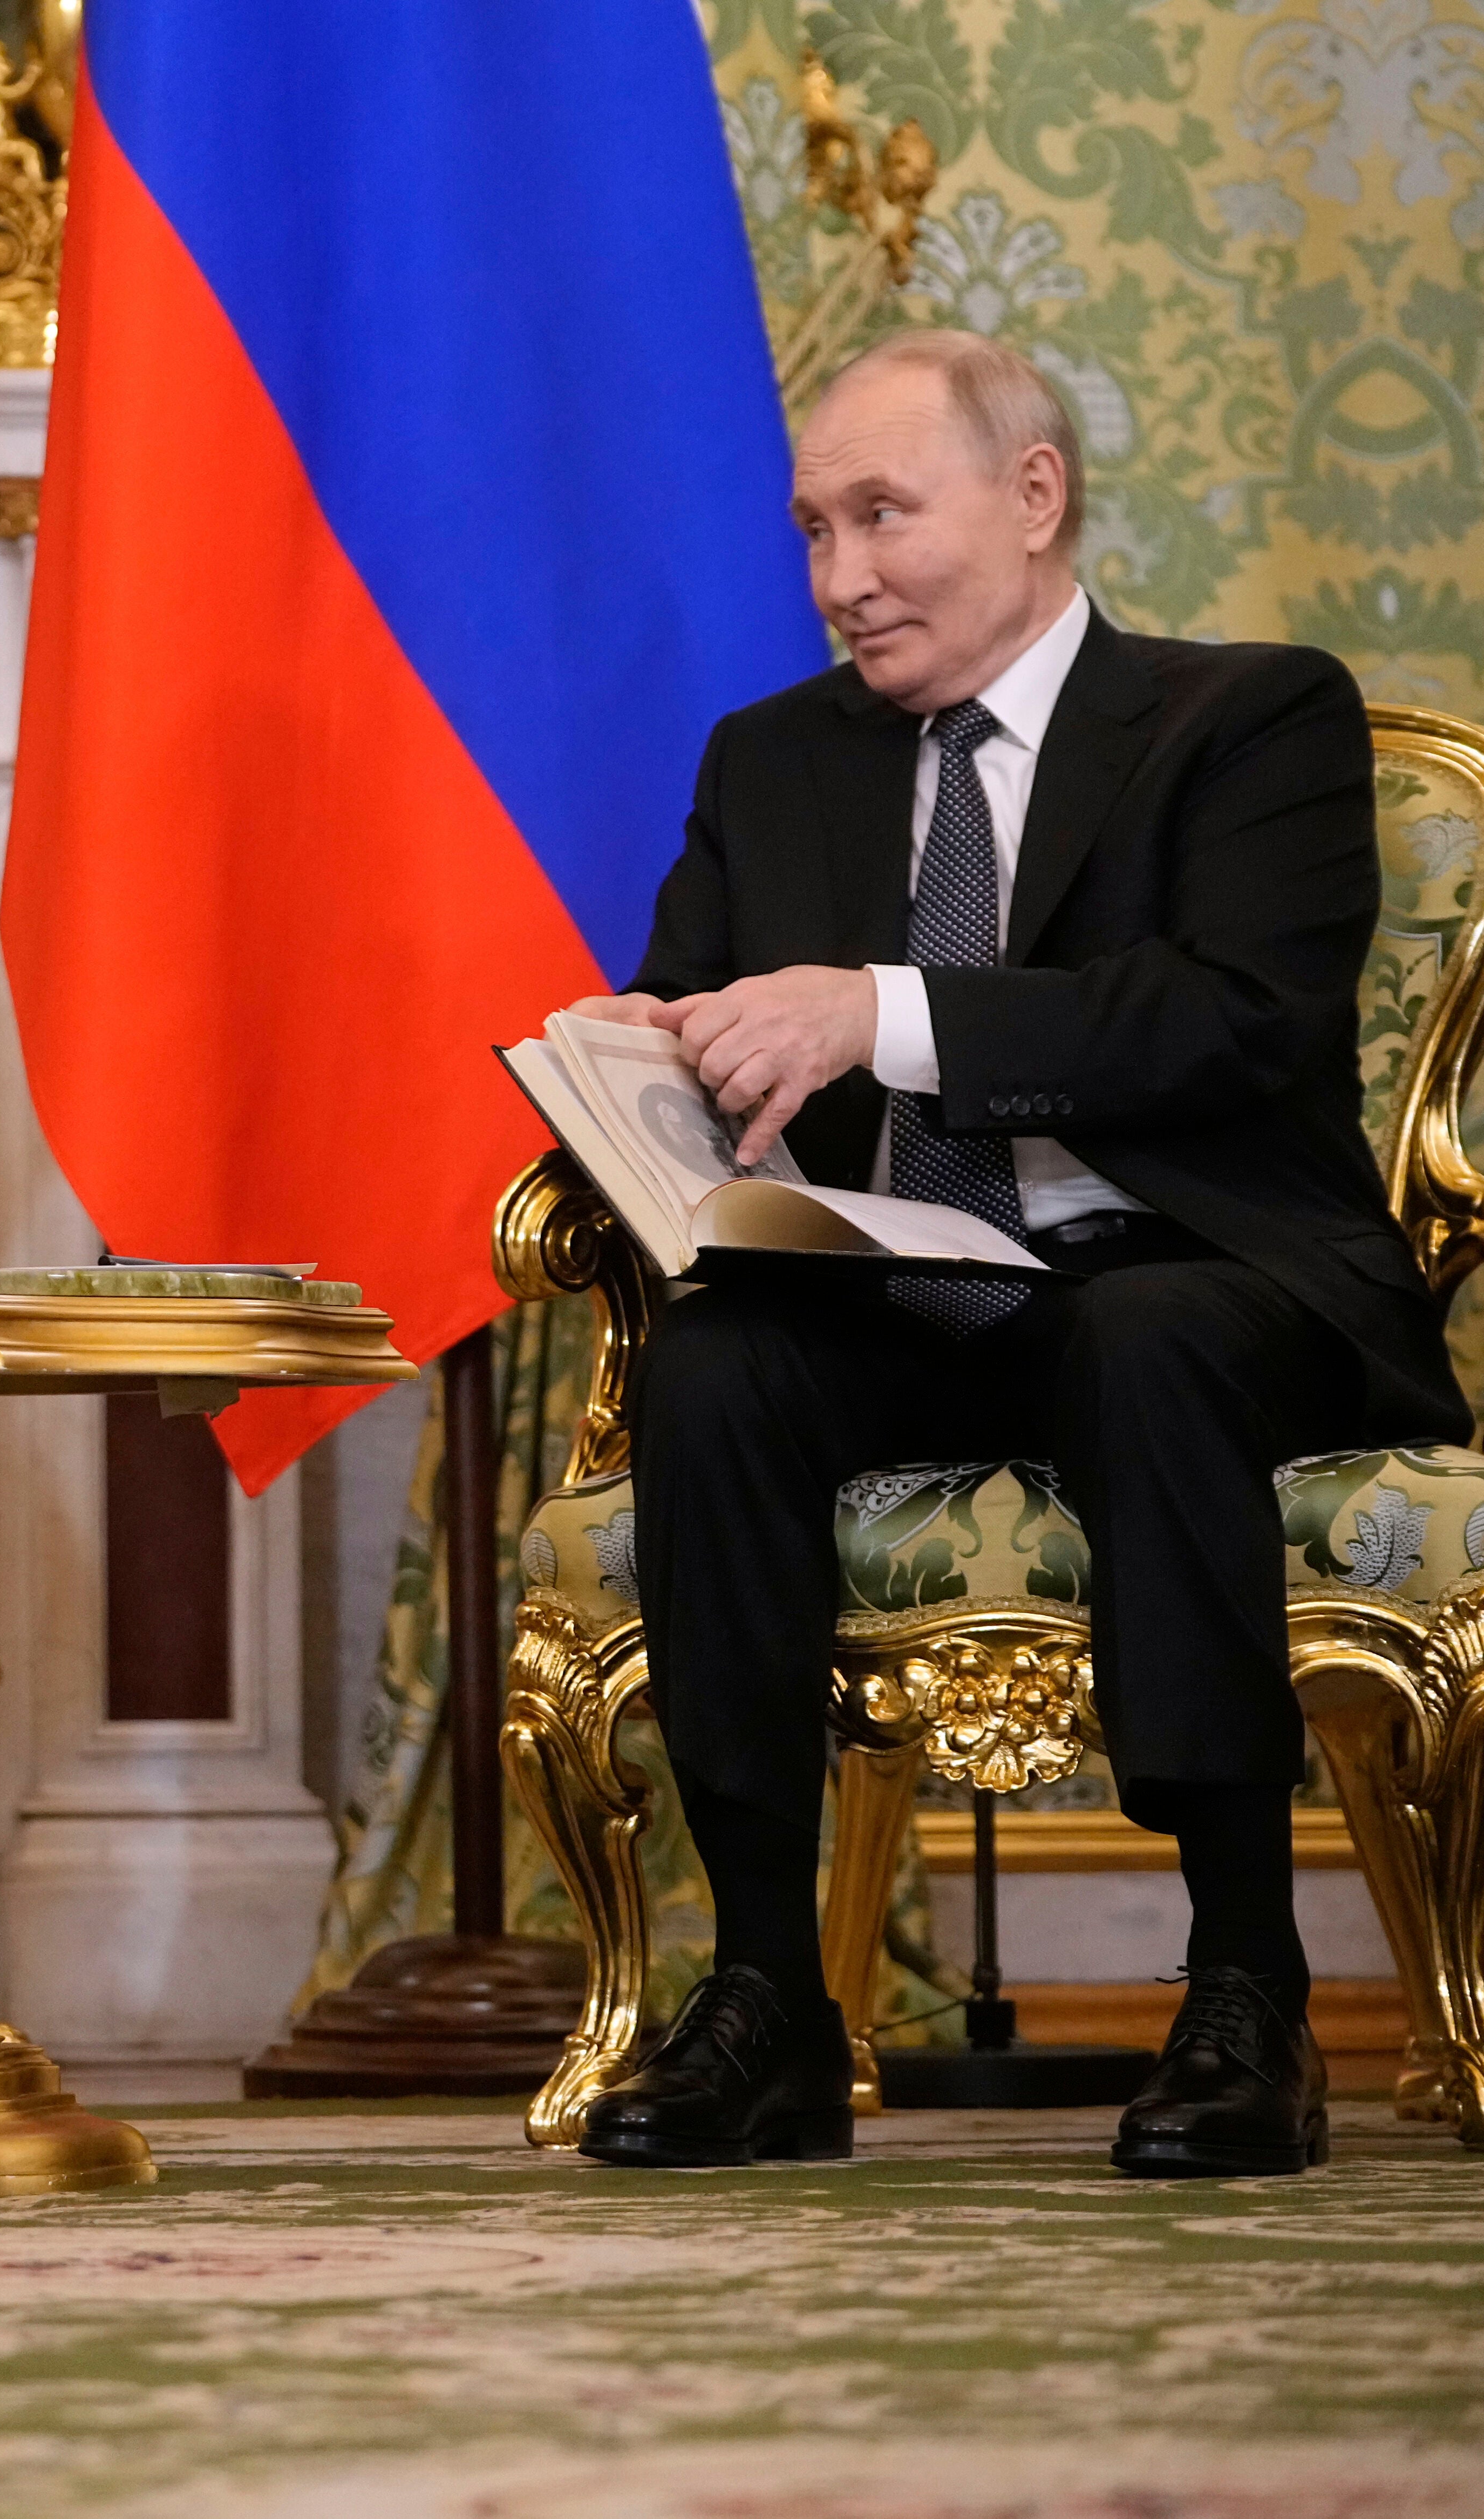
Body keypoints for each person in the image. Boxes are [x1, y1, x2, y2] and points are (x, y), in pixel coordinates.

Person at [570, 328, 1462, 2179]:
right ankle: (763, 1999)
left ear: (1035, 494)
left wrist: (878, 1014)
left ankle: (1243, 1985)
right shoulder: (775, 760)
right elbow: (695, 996)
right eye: (816, 530)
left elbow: (1234, 1021)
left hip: (1205, 1276)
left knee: (1145, 1339)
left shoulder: (1249, 716)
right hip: (899, 1283)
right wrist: (636, 1065)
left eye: (883, 516)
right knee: (724, 1367)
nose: (840, 579)